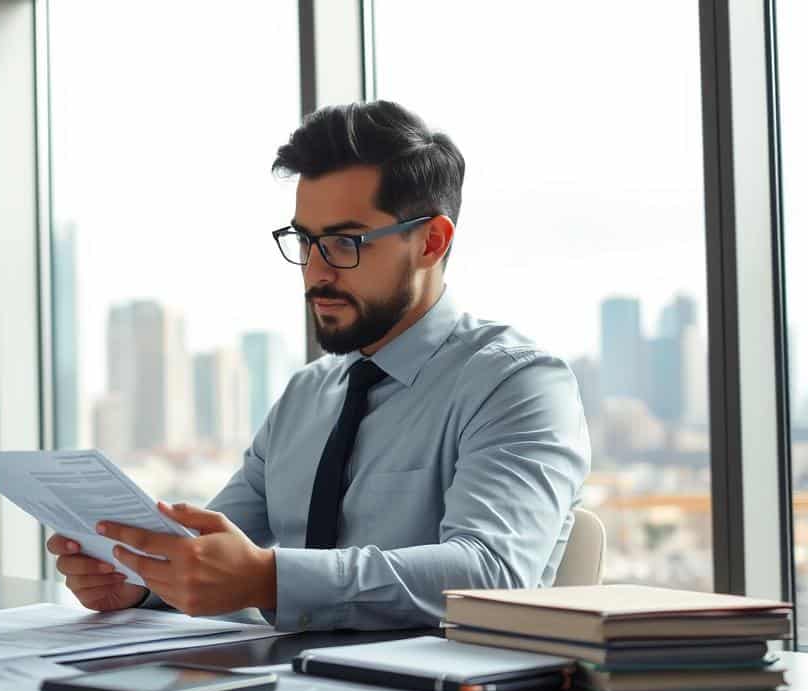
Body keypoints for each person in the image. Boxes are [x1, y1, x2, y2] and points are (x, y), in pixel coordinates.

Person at [47, 100, 591, 630]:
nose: (315, 271)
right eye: (305, 241)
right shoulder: (307, 395)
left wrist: (271, 579)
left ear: (431, 241)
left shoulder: (517, 384)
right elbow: (210, 554)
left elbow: (493, 573)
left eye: (344, 242)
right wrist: (144, 580)